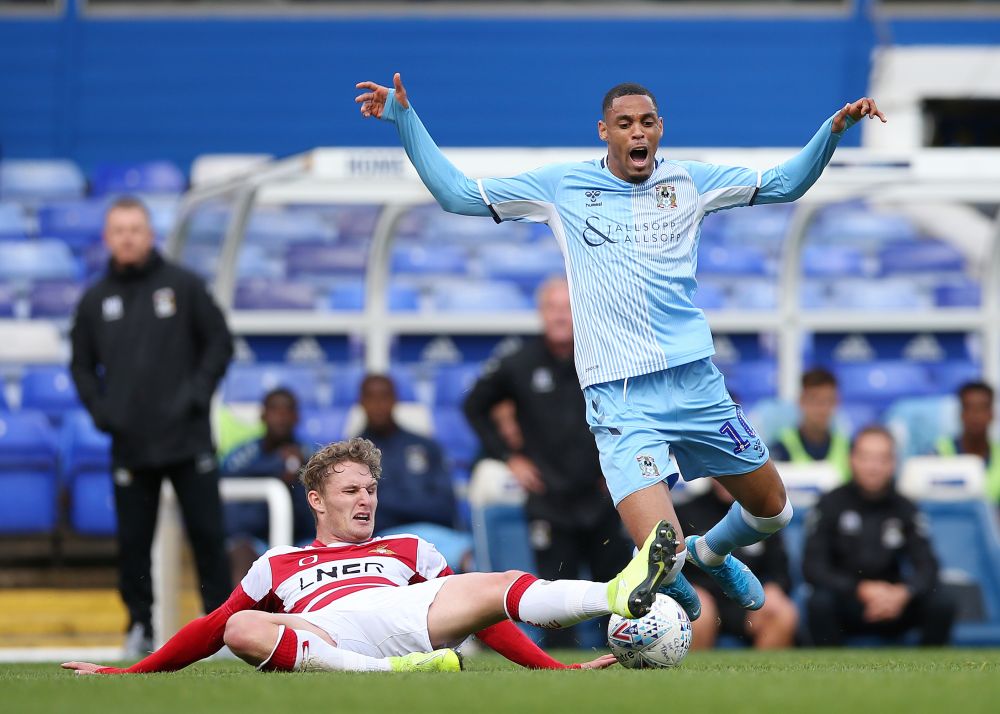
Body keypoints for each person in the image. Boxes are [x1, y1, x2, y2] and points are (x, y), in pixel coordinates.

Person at [355, 72, 886, 619]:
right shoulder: (562, 187)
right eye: (626, 124)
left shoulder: (690, 182)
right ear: (604, 131)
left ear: (661, 130)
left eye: (648, 122)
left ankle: (712, 552)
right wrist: (405, 121)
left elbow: (785, 184)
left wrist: (834, 130)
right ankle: (677, 565)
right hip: (620, 395)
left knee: (774, 513)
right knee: (661, 551)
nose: (638, 132)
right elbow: (458, 195)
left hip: (695, 381)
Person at [62, 437, 677, 676]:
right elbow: (209, 629)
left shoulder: (408, 549)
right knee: (240, 624)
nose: (365, 501)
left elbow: (484, 616)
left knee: (498, 582)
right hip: (324, 633)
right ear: (316, 500)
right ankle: (390, 677)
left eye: (371, 490)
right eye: (351, 491)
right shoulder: (276, 563)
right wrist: (129, 674)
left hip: (405, 617)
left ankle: (614, 594)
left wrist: (555, 671)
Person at [70, 196, 234, 657]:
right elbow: (80, 366)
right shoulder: (95, 300)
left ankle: (219, 628)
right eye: (118, 230)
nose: (127, 237)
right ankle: (139, 627)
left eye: (135, 229)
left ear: (150, 234)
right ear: (108, 238)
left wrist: (197, 395)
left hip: (188, 440)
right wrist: (102, 412)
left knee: (207, 535)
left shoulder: (183, 286)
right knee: (133, 544)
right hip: (131, 444)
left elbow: (219, 343)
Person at [463, 276, 632, 647]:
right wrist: (509, 457)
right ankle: (560, 679)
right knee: (557, 606)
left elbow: (633, 406)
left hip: (602, 498)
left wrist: (620, 458)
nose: (560, 316)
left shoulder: (605, 357)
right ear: (541, 313)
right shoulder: (518, 363)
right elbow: (473, 405)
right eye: (552, 308)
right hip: (549, 502)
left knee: (619, 600)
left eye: (567, 308)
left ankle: (627, 677)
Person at [803, 426, 956, 646]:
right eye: (866, 458)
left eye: (882, 459)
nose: (873, 467)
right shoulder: (830, 504)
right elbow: (813, 567)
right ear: (852, 459)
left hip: (895, 602)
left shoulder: (906, 508)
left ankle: (929, 674)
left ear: (893, 464)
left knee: (942, 602)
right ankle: (829, 674)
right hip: (849, 601)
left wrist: (903, 592)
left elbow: (928, 565)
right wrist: (860, 589)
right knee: (819, 603)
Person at [676, 480, 798, 650]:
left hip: (749, 600)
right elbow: (673, 565)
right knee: (696, 612)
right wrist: (689, 591)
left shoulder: (761, 514)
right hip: (703, 598)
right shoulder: (685, 512)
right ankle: (689, 675)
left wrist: (774, 587)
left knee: (783, 613)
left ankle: (765, 675)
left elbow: (780, 569)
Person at [221, 388, 315, 584]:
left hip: (304, 542)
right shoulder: (242, 457)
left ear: (297, 417)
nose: (281, 417)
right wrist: (274, 468)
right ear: (263, 415)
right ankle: (238, 614)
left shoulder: (314, 458)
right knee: (240, 550)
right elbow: (231, 519)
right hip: (254, 541)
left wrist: (298, 478)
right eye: (274, 410)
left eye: (287, 410)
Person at [769, 367, 850, 482]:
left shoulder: (848, 448)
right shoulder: (781, 448)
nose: (823, 409)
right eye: (815, 400)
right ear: (801, 401)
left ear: (837, 403)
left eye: (829, 401)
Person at [936, 381, 999, 506]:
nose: (975, 415)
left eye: (982, 408)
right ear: (960, 414)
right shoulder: (937, 454)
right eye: (969, 408)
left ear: (992, 414)